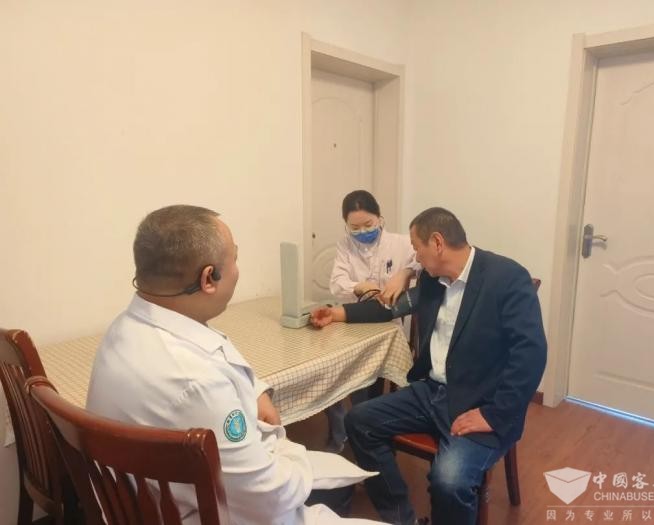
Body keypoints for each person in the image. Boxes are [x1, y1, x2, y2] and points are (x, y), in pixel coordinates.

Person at [86, 205, 383, 525]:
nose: (238, 269)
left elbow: (215, 347)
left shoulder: (127, 328)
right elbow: (269, 498)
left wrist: (255, 391)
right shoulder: (197, 383)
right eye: (235, 258)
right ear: (208, 278)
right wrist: (290, 451)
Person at [311, 207, 547, 525]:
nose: (415, 257)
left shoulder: (506, 278)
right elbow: (391, 308)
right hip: (433, 391)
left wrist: (494, 414)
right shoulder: (434, 280)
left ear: (436, 243)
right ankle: (402, 519)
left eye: (416, 248)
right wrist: (338, 313)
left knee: (449, 481)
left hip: (481, 402)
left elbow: (531, 354)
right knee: (359, 421)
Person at [325, 190, 420, 452]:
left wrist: (404, 273)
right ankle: (343, 428)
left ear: (380, 218)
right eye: (354, 227)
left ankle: (366, 426)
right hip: (353, 320)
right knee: (332, 367)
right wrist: (359, 286)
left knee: (368, 373)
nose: (362, 231)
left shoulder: (400, 243)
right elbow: (337, 283)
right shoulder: (345, 246)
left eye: (368, 224)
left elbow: (422, 262)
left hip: (386, 325)